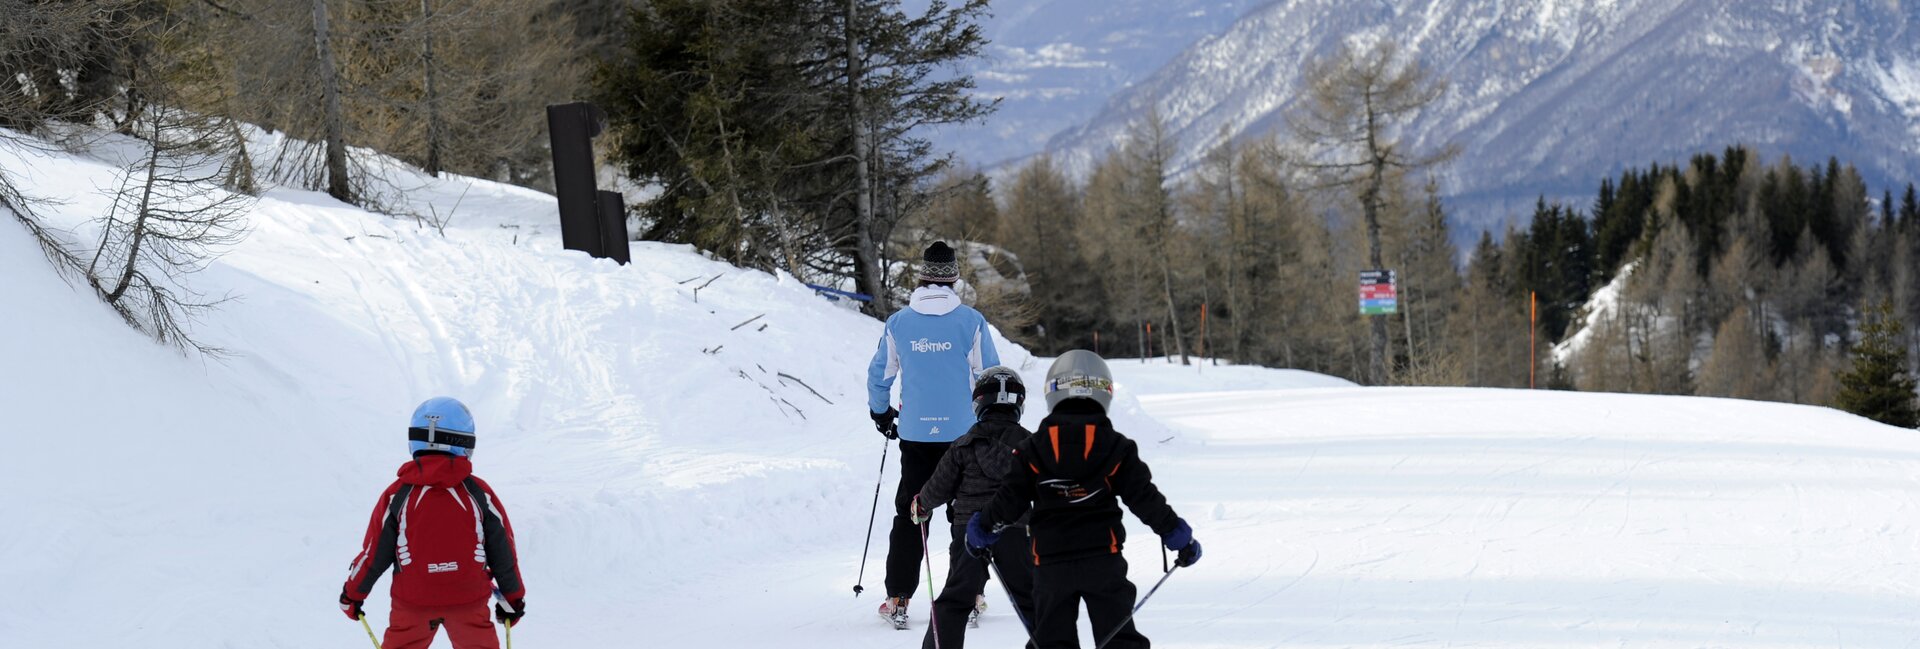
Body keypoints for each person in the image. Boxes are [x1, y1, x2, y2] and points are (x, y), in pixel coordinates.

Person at [967, 351, 1201, 649]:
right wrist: (1177, 536)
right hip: (1103, 559)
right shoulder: (1115, 446)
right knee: (1118, 638)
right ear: (1104, 392)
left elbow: (1009, 500)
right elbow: (1145, 499)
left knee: (1051, 639)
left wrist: (982, 529)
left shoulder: (1033, 449)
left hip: (1051, 562)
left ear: (1052, 392)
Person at [867, 240, 1001, 628]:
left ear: (922, 278)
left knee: (912, 514)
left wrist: (882, 414)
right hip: (964, 436)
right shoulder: (971, 322)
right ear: (954, 280)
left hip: (916, 437)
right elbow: (990, 376)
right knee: (967, 513)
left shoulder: (899, 324)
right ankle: (971, 592)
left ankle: (898, 597)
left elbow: (880, 376)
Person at [340, 397, 527, 649]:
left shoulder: (398, 495)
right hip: (468, 600)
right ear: (464, 441)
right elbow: (503, 549)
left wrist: (353, 594)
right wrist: (513, 598)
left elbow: (375, 553)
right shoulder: (479, 493)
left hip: (413, 602)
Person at [911, 366, 1039, 649]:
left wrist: (922, 504)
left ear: (979, 403)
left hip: (970, 531)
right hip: (1015, 528)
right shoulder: (1031, 444)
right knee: (1033, 598)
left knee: (956, 599)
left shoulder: (963, 445)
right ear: (1018, 404)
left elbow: (939, 486)